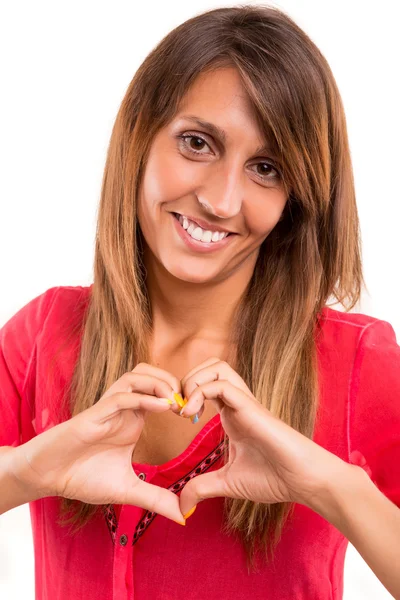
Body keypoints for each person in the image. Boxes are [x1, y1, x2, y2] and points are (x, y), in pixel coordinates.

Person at [1, 4, 399, 600]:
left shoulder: (359, 360)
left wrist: (331, 487)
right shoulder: (45, 332)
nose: (221, 199)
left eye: (266, 168)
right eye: (196, 143)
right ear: (139, 134)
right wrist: (31, 470)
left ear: (297, 198)